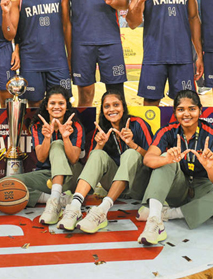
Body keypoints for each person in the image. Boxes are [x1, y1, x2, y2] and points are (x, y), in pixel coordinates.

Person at [138, 89, 213, 246]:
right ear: (175, 112)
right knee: (164, 160)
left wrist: (209, 167)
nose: (186, 114)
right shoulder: (167, 131)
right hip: (178, 186)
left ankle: (169, 214)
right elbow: (148, 159)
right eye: (181, 109)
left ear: (200, 110)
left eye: (192, 109)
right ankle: (153, 222)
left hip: (203, 186)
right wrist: (167, 159)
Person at [57, 90, 152, 233]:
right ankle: (75, 207)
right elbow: (91, 165)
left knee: (130, 153)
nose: (112, 109)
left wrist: (132, 144)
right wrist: (100, 145)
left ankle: (102, 210)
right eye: (107, 106)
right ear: (102, 110)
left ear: (123, 106)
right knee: (97, 153)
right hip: (114, 186)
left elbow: (152, 159)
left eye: (116, 105)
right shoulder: (101, 129)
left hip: (138, 185)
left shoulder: (137, 123)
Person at [127, 0, 203, 105]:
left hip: (183, 56)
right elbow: (132, 23)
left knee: (186, 104)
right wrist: (141, 0)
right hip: (154, 55)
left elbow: (193, 18)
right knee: (150, 105)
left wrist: (199, 54)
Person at [0, 0, 72, 106]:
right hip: (31, 61)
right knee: (34, 106)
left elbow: (67, 26)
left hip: (57, 59)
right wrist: (5, 13)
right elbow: (10, 34)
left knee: (62, 104)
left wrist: (70, 56)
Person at [4, 86, 84, 225]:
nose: (56, 107)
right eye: (52, 103)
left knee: (57, 144)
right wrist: (47, 137)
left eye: (61, 103)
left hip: (70, 175)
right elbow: (41, 158)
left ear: (66, 106)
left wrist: (65, 137)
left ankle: (55, 201)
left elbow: (74, 159)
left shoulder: (75, 125)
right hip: (48, 174)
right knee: (6, 184)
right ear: (46, 106)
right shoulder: (38, 126)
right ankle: (57, 199)